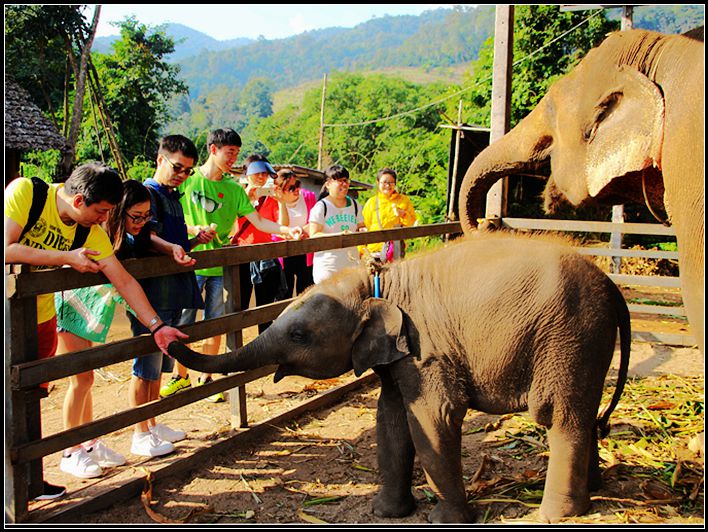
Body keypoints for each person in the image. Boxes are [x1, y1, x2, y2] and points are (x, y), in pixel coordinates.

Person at [4, 163, 188, 500]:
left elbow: (123, 279)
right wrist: (65, 257)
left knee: (29, 397)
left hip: (40, 315)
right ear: (78, 201)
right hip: (8, 314)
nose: (104, 219)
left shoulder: (90, 230)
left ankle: (28, 479)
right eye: (101, 211)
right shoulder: (26, 194)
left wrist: (156, 326)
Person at [53, 180, 197, 478]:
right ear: (118, 212)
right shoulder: (97, 236)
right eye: (137, 216)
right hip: (74, 308)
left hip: (97, 311)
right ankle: (70, 450)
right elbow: (118, 283)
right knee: (80, 379)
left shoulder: (122, 236)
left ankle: (89, 441)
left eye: (147, 217)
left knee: (87, 379)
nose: (143, 223)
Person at [160, 141, 303, 400]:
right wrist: (194, 231)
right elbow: (173, 217)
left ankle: (207, 376)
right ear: (213, 150)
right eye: (230, 153)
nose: (233, 158)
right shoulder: (187, 181)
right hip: (188, 264)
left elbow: (259, 221)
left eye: (237, 153)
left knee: (216, 323)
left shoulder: (231, 188)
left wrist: (286, 231)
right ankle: (180, 376)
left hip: (220, 268)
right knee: (183, 322)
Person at [127, 134, 213, 458]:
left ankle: (151, 422)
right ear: (161, 159)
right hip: (151, 291)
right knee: (145, 365)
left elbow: (173, 244)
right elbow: (146, 237)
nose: (182, 175)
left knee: (159, 364)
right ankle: (139, 431)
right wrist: (173, 247)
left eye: (188, 171)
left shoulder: (173, 196)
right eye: (178, 167)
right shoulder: (147, 193)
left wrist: (195, 241)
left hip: (173, 286)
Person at [230, 158, 299, 333]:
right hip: (242, 254)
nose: (261, 177)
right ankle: (237, 349)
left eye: (264, 173)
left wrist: (281, 201)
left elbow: (282, 223)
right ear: (247, 174)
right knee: (239, 305)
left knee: (266, 305)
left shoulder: (270, 197)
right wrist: (247, 196)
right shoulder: (236, 193)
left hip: (266, 254)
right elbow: (230, 224)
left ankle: (264, 347)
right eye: (257, 173)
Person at [308, 165, 366, 284]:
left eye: (346, 181)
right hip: (328, 266)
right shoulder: (321, 207)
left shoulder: (355, 205)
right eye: (340, 181)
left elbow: (361, 226)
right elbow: (313, 235)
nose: (344, 184)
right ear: (328, 184)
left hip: (351, 265)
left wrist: (363, 231)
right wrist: (339, 236)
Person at [272, 169, 315, 297]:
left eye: (298, 185)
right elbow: (277, 229)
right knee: (284, 293)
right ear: (280, 190)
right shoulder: (272, 202)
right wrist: (282, 203)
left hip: (305, 250)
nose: (296, 189)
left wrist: (303, 232)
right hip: (283, 253)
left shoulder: (308, 197)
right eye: (291, 188)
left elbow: (315, 221)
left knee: (306, 292)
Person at [361, 167, 417, 262]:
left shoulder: (403, 200)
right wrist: (362, 252)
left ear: (395, 183)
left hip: (395, 251)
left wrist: (403, 215)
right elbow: (365, 226)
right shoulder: (371, 202)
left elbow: (411, 224)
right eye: (384, 182)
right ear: (378, 183)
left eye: (391, 182)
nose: (387, 185)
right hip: (375, 251)